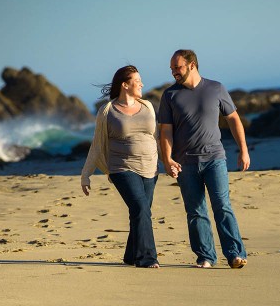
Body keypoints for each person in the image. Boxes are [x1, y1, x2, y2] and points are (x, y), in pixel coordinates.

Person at [158, 49, 249, 269]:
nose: (173, 73)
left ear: (192, 65)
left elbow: (234, 119)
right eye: (171, 69)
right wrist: (167, 159)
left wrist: (243, 150)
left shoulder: (215, 88)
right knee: (195, 211)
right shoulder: (170, 95)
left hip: (215, 158)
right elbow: (165, 131)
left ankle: (235, 254)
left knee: (222, 206)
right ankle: (206, 256)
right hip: (185, 162)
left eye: (177, 67)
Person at [81, 65, 160, 268]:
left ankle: (130, 255)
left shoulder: (148, 106)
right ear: (125, 85)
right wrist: (86, 174)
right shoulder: (108, 111)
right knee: (141, 208)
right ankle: (147, 258)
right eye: (137, 80)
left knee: (140, 212)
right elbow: (97, 144)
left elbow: (156, 137)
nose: (142, 83)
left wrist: (170, 160)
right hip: (122, 168)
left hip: (150, 166)